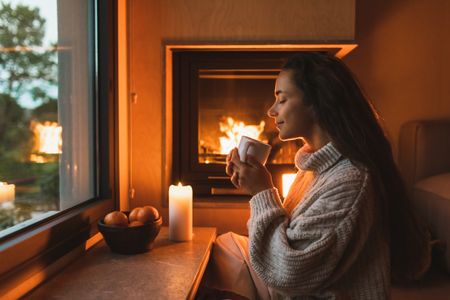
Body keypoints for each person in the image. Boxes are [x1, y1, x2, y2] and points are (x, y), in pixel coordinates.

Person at [203, 52, 431, 300]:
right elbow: (292, 237)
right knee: (223, 249)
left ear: (317, 102)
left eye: (282, 99)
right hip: (297, 283)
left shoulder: (352, 179)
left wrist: (262, 192)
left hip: (306, 289)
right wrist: (258, 189)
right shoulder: (318, 167)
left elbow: (289, 273)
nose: (271, 110)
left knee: (223, 263)